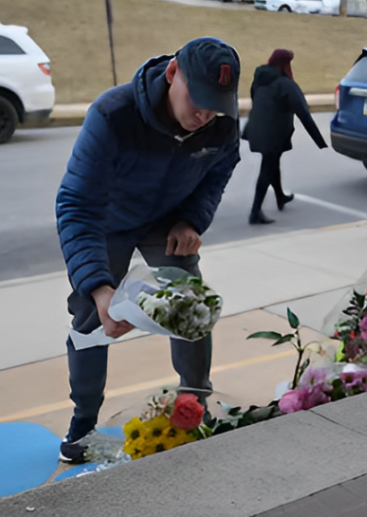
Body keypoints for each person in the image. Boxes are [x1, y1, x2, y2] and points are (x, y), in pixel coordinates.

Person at [55, 37, 241, 463]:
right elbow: (76, 204)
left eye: (216, 105)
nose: (204, 115)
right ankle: (83, 422)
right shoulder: (113, 114)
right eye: (198, 100)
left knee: (191, 306)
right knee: (91, 319)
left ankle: (193, 404)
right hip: (108, 221)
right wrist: (100, 289)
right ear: (173, 73)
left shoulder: (222, 122)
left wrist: (193, 219)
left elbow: (220, 170)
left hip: (168, 221)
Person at [244, 49, 327, 224]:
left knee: (272, 162)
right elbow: (303, 112)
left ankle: (280, 196)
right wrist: (320, 142)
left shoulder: (259, 79)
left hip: (256, 127)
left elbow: (255, 98)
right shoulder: (286, 84)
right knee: (268, 167)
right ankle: (255, 211)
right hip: (274, 132)